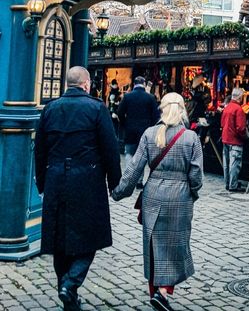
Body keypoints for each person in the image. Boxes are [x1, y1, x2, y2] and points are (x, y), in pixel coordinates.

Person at [34, 66, 121, 311]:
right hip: (88, 180)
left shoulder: (50, 109)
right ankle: (70, 284)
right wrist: (114, 183)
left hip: (56, 179)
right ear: (86, 84)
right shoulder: (96, 108)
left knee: (58, 238)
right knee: (91, 236)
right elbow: (110, 149)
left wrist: (42, 182)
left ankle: (66, 288)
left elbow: (40, 151)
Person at [112, 93, 203, 311]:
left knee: (153, 246)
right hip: (180, 197)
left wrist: (118, 191)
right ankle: (163, 292)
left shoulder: (149, 133)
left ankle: (155, 292)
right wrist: (193, 192)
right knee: (175, 246)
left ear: (161, 109)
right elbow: (197, 174)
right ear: (182, 110)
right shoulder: (191, 137)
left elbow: (134, 169)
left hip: (153, 195)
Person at [118, 76, 160, 190]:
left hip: (130, 130)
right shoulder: (150, 98)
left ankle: (128, 178)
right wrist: (151, 128)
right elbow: (156, 116)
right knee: (142, 156)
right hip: (145, 131)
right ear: (144, 84)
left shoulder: (127, 97)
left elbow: (120, 112)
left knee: (129, 153)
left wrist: (124, 123)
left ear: (134, 84)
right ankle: (139, 181)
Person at [221, 87, 247, 192]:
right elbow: (240, 128)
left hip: (226, 138)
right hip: (235, 140)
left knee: (227, 164)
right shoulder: (238, 109)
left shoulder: (227, 108)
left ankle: (228, 183)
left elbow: (222, 123)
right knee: (234, 164)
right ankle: (233, 185)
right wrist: (244, 136)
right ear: (240, 98)